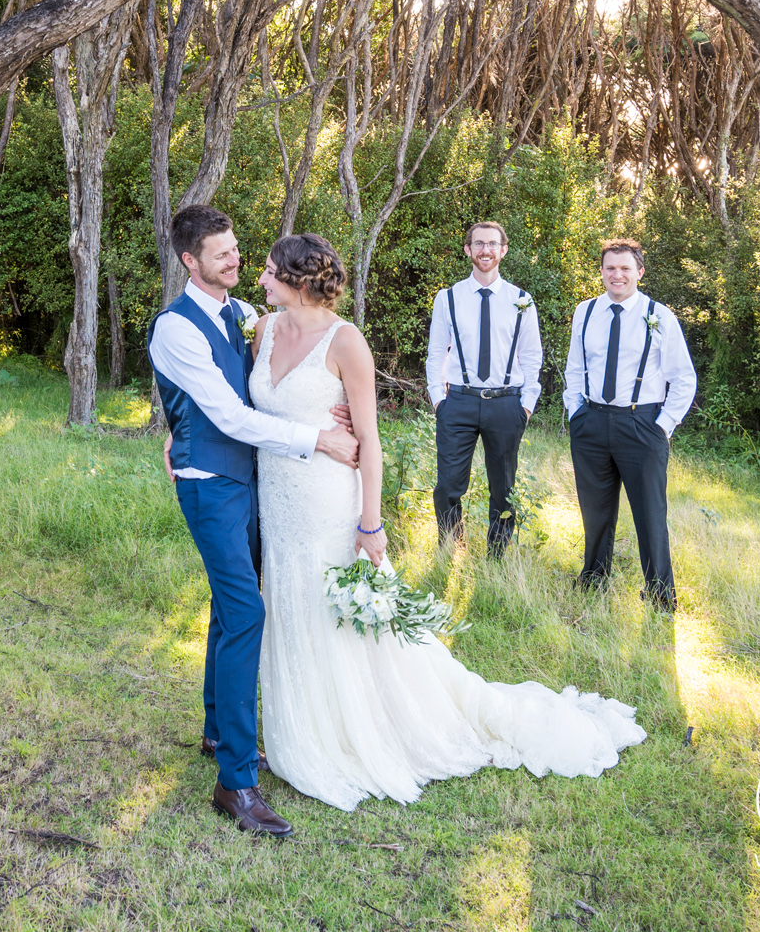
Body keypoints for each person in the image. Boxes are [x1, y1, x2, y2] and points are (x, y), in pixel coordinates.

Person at [252, 233, 646, 811]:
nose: (258, 278)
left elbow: (371, 441)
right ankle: (301, 719)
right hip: (276, 503)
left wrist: (370, 523)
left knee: (337, 617)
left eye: (267, 270)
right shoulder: (260, 329)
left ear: (298, 279)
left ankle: (349, 730)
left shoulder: (346, 342)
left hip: (328, 506)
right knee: (288, 606)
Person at [146, 206, 361, 838]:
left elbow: (290, 346)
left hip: (257, 485)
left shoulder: (242, 315)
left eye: (237, 250)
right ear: (191, 261)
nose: (235, 261)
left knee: (226, 608)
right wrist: (317, 438)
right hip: (211, 486)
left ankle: (217, 733)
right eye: (221, 254)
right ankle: (236, 781)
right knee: (246, 613)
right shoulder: (174, 329)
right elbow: (227, 418)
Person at [562, 238, 697, 608]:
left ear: (639, 272)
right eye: (610, 268)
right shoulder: (585, 311)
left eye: (624, 268)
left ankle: (659, 593)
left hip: (642, 424)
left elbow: (683, 378)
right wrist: (576, 412)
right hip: (591, 422)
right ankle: (593, 578)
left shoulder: (659, 315)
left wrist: (663, 425)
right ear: (602, 272)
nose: (616, 275)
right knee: (595, 510)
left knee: (650, 513)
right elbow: (575, 367)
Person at [425, 220, 543, 556]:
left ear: (503, 250)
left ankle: (497, 555)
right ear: (468, 250)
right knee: (448, 485)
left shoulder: (522, 300)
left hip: (506, 404)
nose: (485, 250)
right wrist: (438, 400)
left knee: (503, 487)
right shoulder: (448, 298)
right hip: (458, 402)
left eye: (492, 244)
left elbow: (532, 356)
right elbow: (435, 353)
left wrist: (527, 404)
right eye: (478, 244)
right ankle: (452, 546)